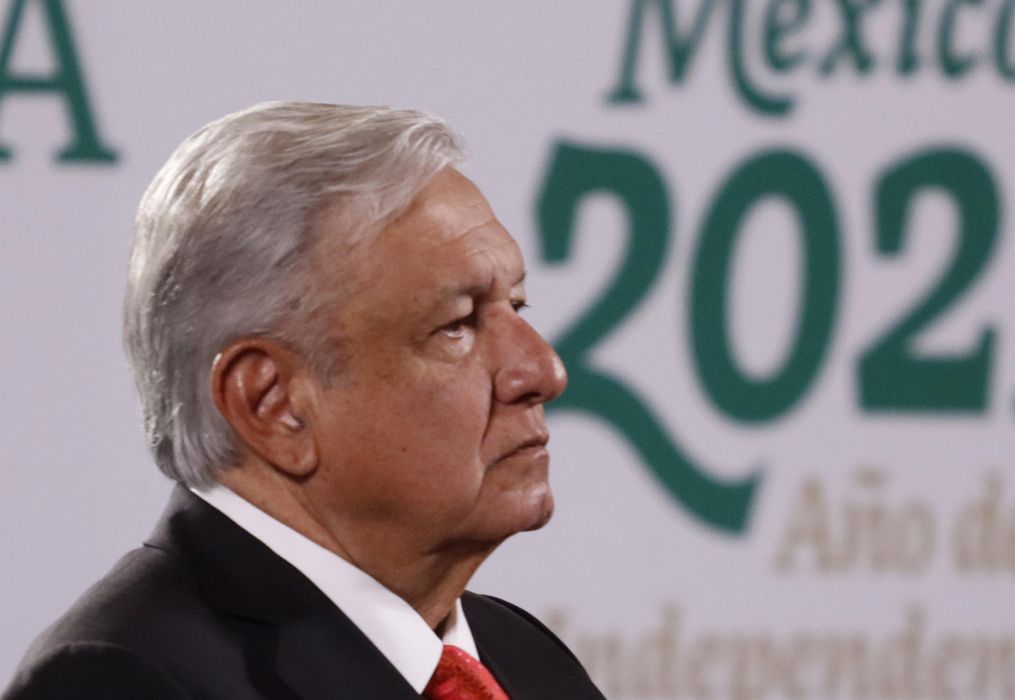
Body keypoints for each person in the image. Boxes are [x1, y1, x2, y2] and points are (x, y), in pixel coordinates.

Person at [3, 102, 604, 699]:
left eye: (518, 307)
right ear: (273, 404)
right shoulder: (118, 682)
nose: (544, 371)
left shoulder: (526, 663)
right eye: (458, 324)